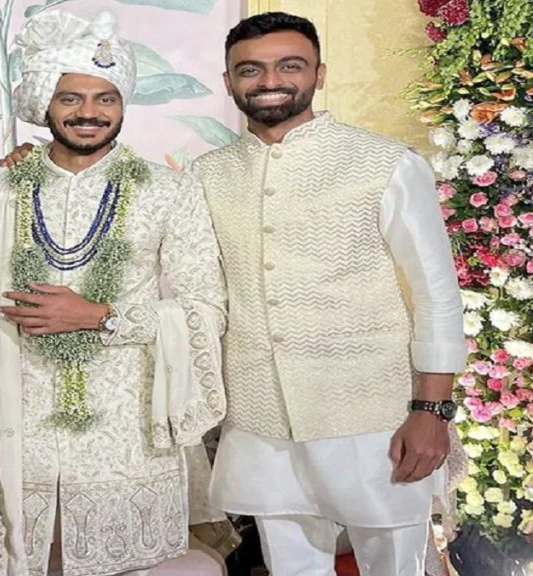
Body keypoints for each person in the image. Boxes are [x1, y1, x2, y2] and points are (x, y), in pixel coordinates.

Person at [0, 10, 227, 576]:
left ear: (123, 105)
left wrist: (100, 316)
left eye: (106, 98)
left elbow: (205, 308)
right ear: (45, 104)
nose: (89, 112)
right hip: (22, 419)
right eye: (71, 98)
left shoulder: (169, 190)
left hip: (125, 428)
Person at [197, 13, 465, 576]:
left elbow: (436, 293)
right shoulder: (205, 174)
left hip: (374, 414)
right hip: (261, 420)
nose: (270, 80)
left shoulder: (385, 162)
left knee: (398, 566)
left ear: (318, 75)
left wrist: (432, 411)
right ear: (228, 82)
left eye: (289, 66)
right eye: (251, 69)